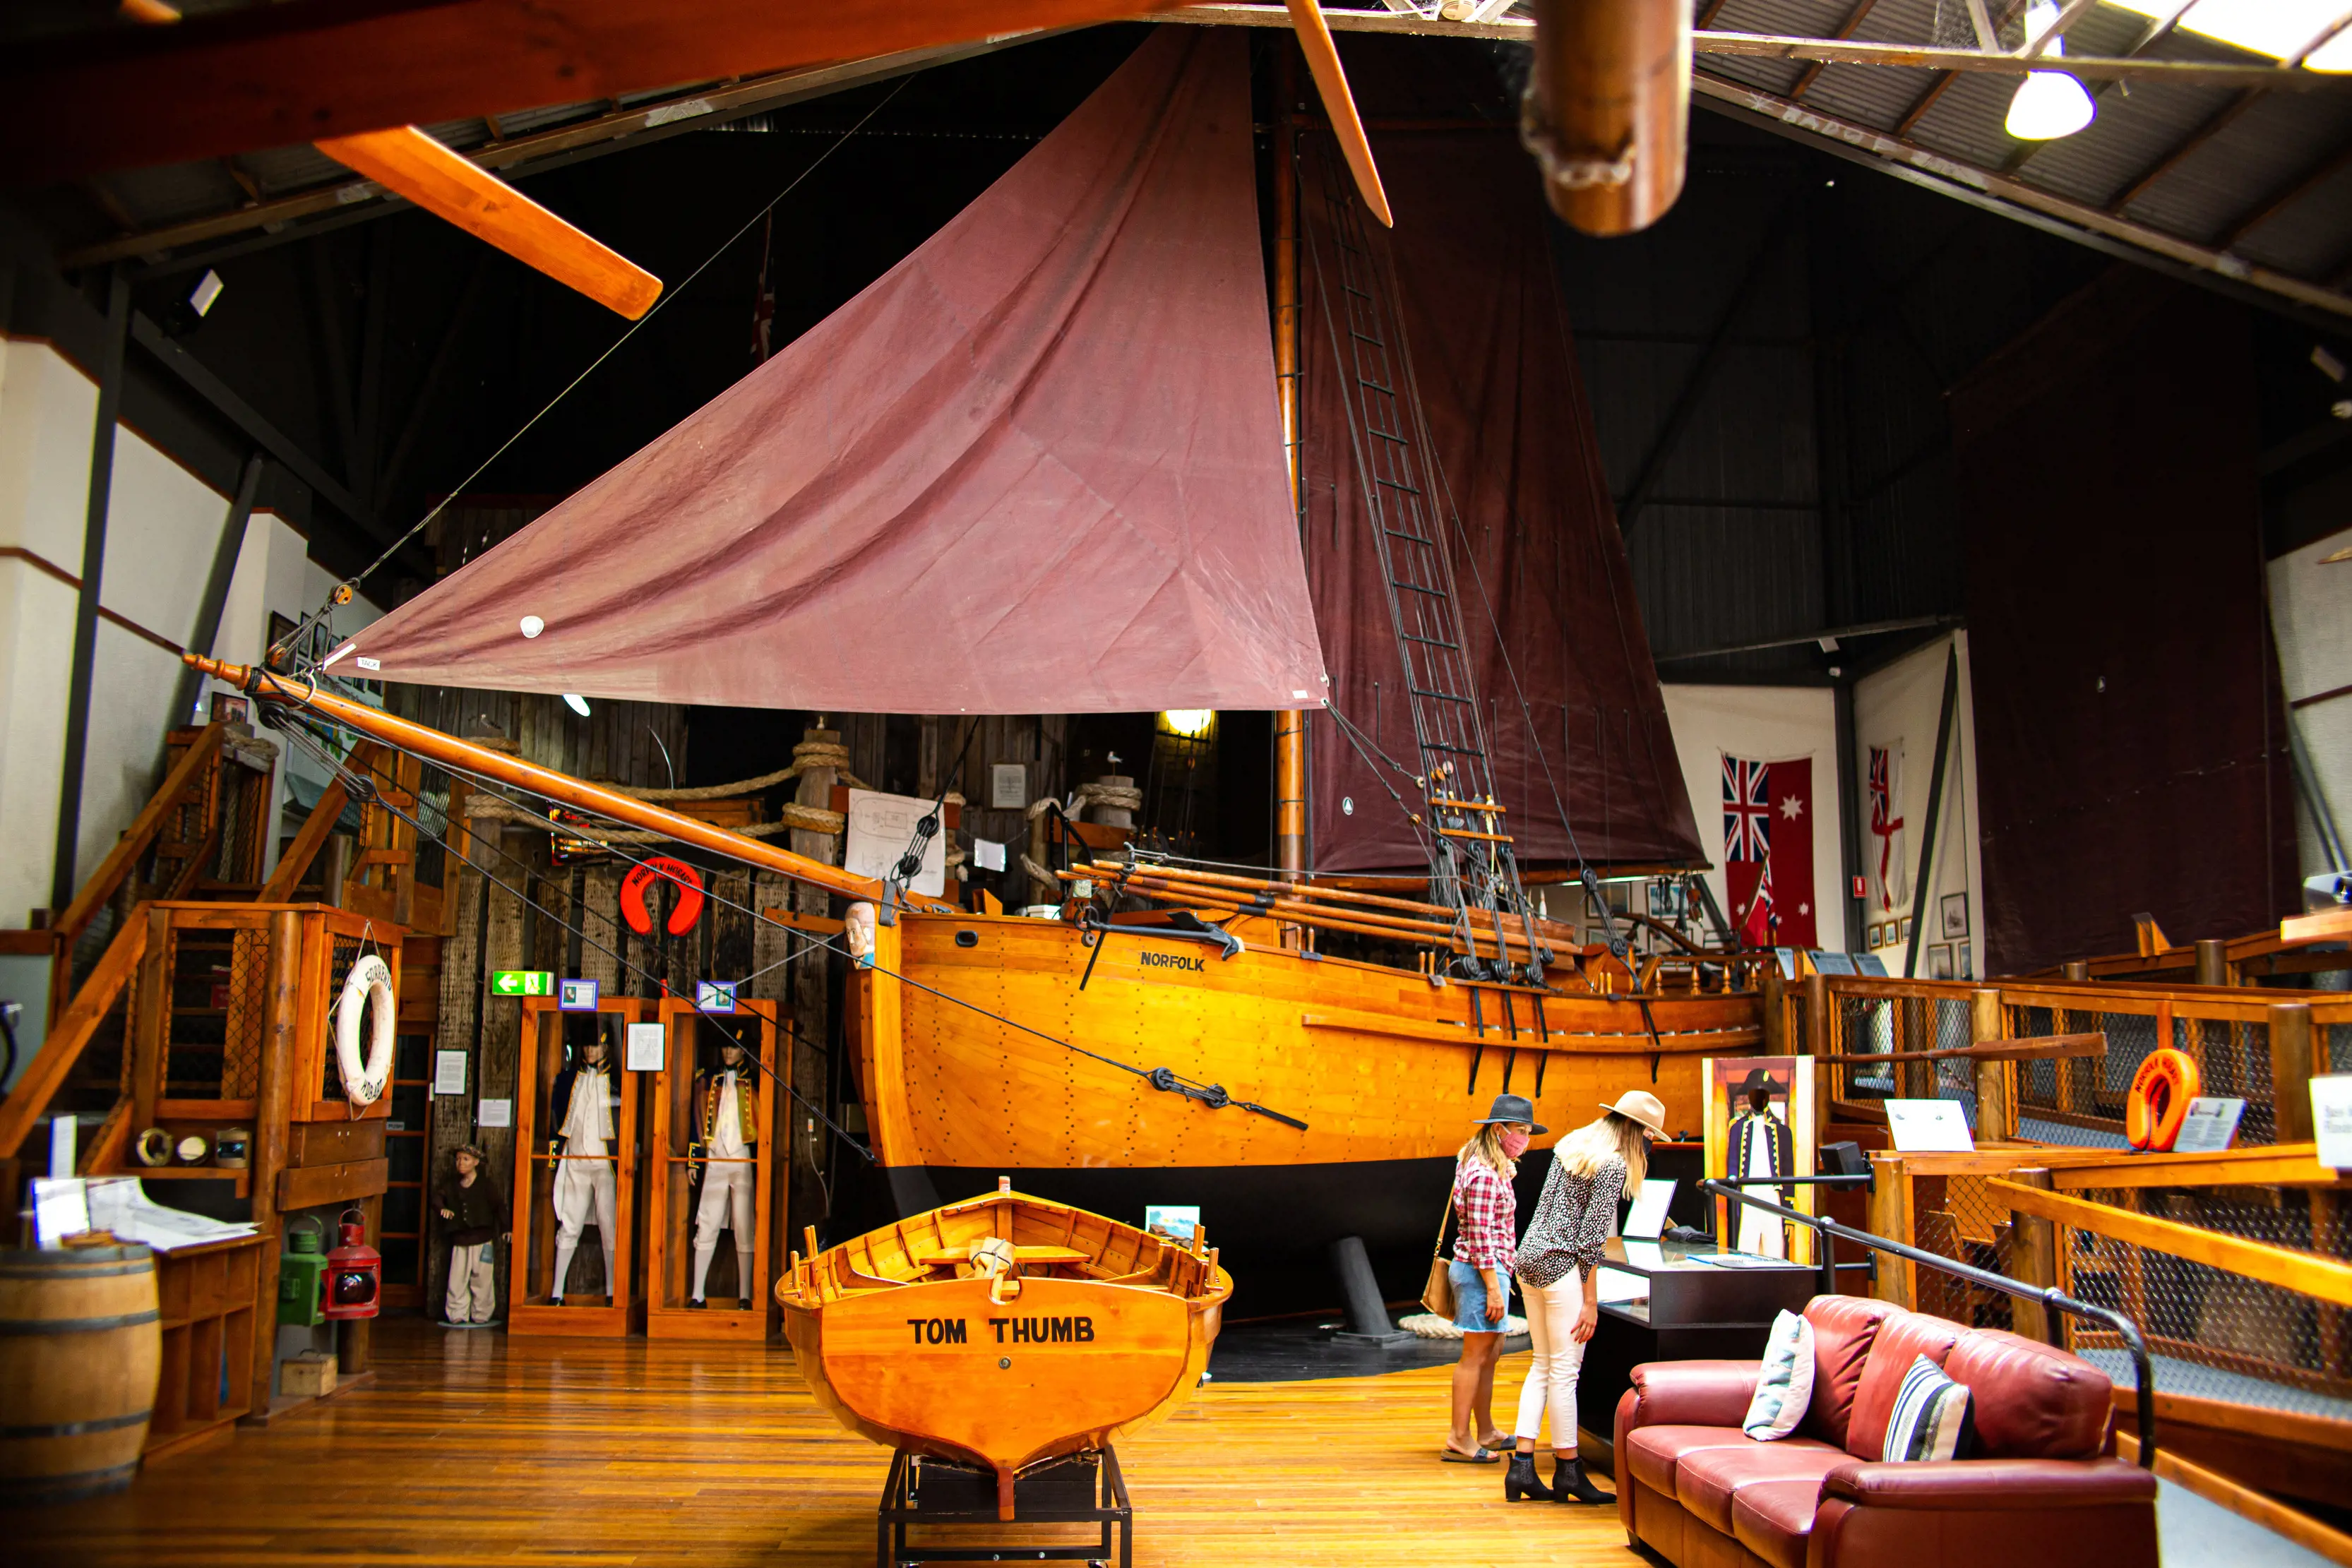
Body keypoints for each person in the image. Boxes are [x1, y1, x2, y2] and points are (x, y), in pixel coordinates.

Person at [1505, 1089, 1666, 1504]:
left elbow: (1548, 1213)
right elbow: (1591, 1242)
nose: (1649, 1145)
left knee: (1542, 1365)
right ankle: (1568, 1470)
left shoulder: (1573, 1145)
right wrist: (1591, 1302)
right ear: (1636, 1131)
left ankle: (1522, 1467)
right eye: (1649, 1135)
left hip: (1530, 1258)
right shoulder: (1613, 1164)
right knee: (1565, 1372)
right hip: (1561, 1268)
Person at [1443, 1093, 1541, 1464]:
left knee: (1490, 1353)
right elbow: (1482, 1236)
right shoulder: (1484, 1174)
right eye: (1520, 1130)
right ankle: (1459, 1436)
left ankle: (1484, 1430)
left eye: (1528, 1132)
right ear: (1498, 1130)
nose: (1524, 1139)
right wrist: (1492, 1288)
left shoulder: (1485, 1164)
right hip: (1480, 1271)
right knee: (1475, 1356)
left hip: (1490, 1269)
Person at [548, 1027, 621, 1303]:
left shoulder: (618, 1080)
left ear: (606, 1049)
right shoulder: (566, 1079)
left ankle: (612, 1292)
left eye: (596, 1047)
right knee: (569, 1225)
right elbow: (556, 1117)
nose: (591, 1051)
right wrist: (555, 1149)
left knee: (609, 1226)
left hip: (606, 1163)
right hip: (575, 1158)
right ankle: (557, 1293)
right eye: (587, 1047)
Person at [689, 1035, 759, 1308]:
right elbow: (695, 1121)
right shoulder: (707, 1078)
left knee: (745, 1226)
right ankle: (697, 1295)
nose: (729, 1052)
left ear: (743, 1049)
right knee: (706, 1223)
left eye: (734, 1046)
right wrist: (694, 1159)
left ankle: (745, 1296)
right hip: (715, 1156)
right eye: (726, 1046)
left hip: (743, 1159)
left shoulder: (755, 1078)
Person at [436, 1144, 509, 1328]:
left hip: (482, 1239)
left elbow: (499, 1206)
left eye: (466, 1159)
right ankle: (457, 1313)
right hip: (461, 1239)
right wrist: (442, 1209)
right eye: (458, 1159)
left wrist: (507, 1229)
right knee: (457, 1278)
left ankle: (482, 1313)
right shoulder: (451, 1185)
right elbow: (437, 1198)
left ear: (476, 1162)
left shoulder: (485, 1185)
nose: (461, 1163)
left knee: (482, 1278)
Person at [1726, 1067, 1792, 1257]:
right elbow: (1733, 1165)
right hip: (1747, 1194)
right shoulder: (1738, 1128)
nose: (1758, 1098)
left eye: (1762, 1093)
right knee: (1746, 1250)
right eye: (1755, 1093)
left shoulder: (1782, 1131)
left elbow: (1788, 1172)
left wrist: (1788, 1213)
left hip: (1773, 1194)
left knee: (1774, 1251)